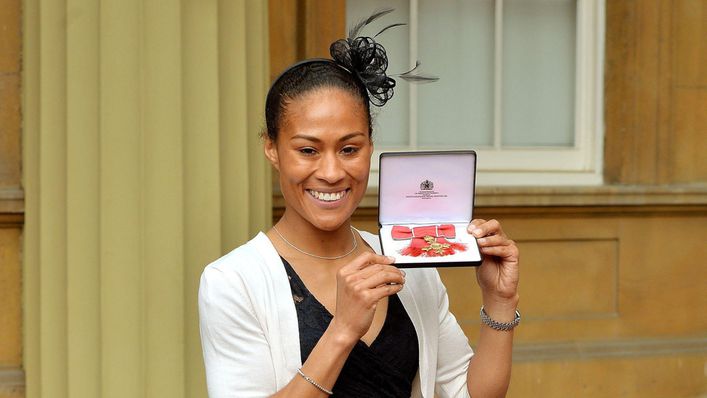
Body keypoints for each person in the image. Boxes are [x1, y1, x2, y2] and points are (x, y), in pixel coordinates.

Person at [199, 10, 520, 398]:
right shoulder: (233, 282)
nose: (332, 172)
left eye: (350, 148)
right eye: (307, 150)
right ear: (271, 148)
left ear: (371, 145)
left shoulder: (409, 266)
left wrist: (500, 303)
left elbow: (465, 393)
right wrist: (343, 330)